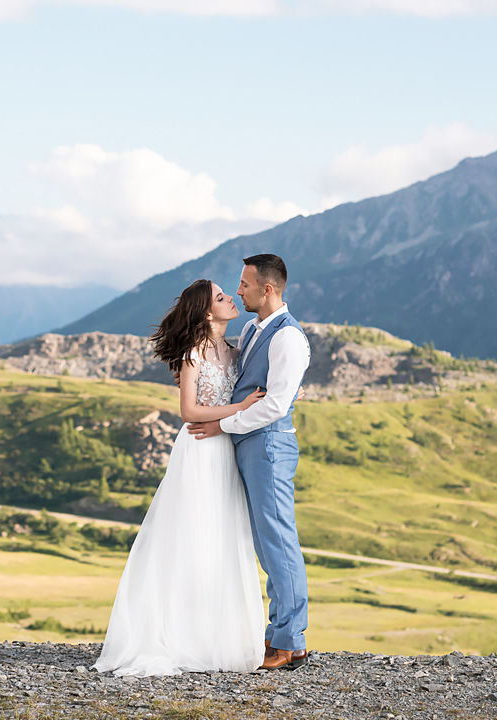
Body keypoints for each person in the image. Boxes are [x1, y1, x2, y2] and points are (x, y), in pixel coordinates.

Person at [91, 279, 267, 677]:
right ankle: (180, 636)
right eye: (222, 298)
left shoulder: (235, 350)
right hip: (199, 449)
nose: (232, 299)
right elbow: (189, 411)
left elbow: (264, 384)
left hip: (225, 448)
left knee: (223, 535)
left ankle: (215, 637)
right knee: (192, 535)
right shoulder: (193, 354)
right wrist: (237, 407)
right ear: (207, 312)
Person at [186, 253, 311, 671]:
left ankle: (289, 642)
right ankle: (280, 634)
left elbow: (275, 404)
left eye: (244, 284)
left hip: (269, 446)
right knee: (264, 541)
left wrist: (226, 426)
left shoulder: (287, 337)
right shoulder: (254, 329)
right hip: (251, 445)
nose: (239, 290)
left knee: (277, 541)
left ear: (268, 289)